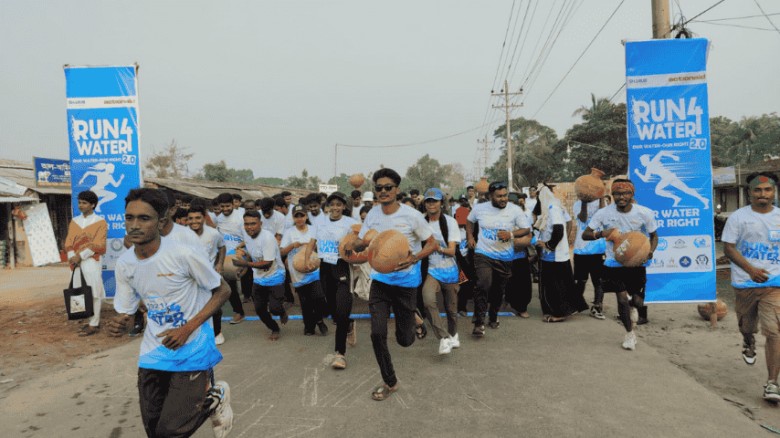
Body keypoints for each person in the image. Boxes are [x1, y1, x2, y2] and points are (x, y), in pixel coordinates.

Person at [107, 188, 233, 438]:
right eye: (129, 218)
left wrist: (187, 329)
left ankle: (213, 399)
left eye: (144, 218)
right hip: (154, 351)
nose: (134, 225)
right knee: (154, 431)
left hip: (192, 347)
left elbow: (223, 290)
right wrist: (121, 322)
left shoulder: (183, 253)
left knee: (171, 432)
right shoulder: (125, 264)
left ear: (161, 221)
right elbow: (128, 310)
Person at [345, 168, 437, 401]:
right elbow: (363, 241)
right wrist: (352, 246)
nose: (383, 191)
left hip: (406, 285)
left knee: (405, 341)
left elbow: (432, 243)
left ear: (396, 189)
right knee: (377, 333)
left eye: (388, 187)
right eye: (379, 188)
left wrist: (414, 257)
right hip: (380, 283)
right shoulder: (373, 215)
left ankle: (414, 319)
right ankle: (390, 381)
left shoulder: (412, 215)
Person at [722, 172, 780, 401]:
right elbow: (729, 248)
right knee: (747, 326)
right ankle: (748, 340)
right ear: (749, 193)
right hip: (745, 283)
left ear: (774, 192)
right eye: (757, 190)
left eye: (767, 190)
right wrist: (751, 270)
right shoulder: (738, 218)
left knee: (775, 332)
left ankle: (772, 383)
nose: (763, 194)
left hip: (774, 284)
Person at [583, 179, 658, 351]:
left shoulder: (644, 213)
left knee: (637, 302)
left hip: (636, 263)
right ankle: (630, 334)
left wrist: (649, 252)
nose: (621, 197)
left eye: (626, 193)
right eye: (617, 193)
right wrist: (602, 233)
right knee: (622, 298)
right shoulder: (604, 214)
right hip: (613, 262)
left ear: (632, 194)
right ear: (612, 195)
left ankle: (634, 305)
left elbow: (654, 236)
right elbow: (586, 234)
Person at [466, 181, 531, 335]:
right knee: (483, 284)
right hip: (483, 254)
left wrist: (511, 234)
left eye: (505, 195)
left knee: (498, 290)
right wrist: (470, 236)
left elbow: (526, 228)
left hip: (505, 257)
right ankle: (479, 322)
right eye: (499, 196)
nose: (503, 199)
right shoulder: (480, 208)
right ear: (490, 196)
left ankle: (493, 315)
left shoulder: (515, 210)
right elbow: (470, 221)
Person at [305, 192, 359, 369]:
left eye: (339, 204)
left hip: (342, 266)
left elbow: (361, 241)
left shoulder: (350, 224)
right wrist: (306, 259)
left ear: (344, 206)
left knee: (342, 310)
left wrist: (354, 246)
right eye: (332, 204)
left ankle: (340, 354)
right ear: (327, 206)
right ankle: (349, 324)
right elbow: (312, 243)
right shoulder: (319, 223)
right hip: (325, 268)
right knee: (333, 311)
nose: (335, 208)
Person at [232, 210, 288, 341]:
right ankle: (274, 328)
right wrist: (243, 262)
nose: (249, 227)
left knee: (275, 308)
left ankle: (281, 312)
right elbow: (253, 255)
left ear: (260, 223)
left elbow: (267, 264)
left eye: (253, 224)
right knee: (260, 310)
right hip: (259, 279)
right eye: (247, 224)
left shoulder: (267, 238)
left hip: (275, 276)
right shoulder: (247, 236)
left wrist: (245, 264)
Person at [534, 185, 587, 322]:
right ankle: (567, 308)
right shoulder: (552, 208)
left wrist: (548, 245)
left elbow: (558, 229)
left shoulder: (553, 209)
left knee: (556, 286)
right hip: (553, 255)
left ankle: (559, 313)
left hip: (554, 255)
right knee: (563, 284)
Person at [421, 188, 462, 355]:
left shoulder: (450, 222)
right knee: (428, 299)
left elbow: (452, 251)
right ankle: (443, 337)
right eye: (428, 201)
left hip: (450, 270)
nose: (431, 204)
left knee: (451, 310)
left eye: (434, 201)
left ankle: (453, 335)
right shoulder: (421, 223)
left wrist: (435, 247)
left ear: (441, 203)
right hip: (432, 271)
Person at [281, 204, 328, 337]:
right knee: (305, 302)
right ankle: (309, 327)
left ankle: (319, 320)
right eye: (297, 216)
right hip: (298, 273)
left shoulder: (314, 230)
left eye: (302, 215)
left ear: (306, 216)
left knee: (318, 298)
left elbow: (321, 247)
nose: (300, 218)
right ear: (293, 218)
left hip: (313, 270)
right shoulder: (289, 232)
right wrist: (292, 245)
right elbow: (282, 251)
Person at [65, 190, 107, 336]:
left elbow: (99, 244)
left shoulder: (100, 222)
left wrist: (80, 256)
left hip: (91, 261)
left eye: (84, 203)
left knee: (93, 291)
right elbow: (69, 241)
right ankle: (88, 319)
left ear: (93, 205)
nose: (80, 205)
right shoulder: (75, 221)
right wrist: (72, 256)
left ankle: (94, 324)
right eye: (79, 202)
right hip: (75, 262)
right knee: (80, 290)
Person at [188, 201, 227, 345]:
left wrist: (220, 264)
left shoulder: (213, 233)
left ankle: (217, 333)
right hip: (190, 279)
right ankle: (194, 334)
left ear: (204, 218)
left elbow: (222, 247)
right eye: (190, 218)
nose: (194, 222)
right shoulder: (182, 235)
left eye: (197, 218)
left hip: (210, 276)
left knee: (214, 305)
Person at [572, 197, 607, 320]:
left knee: (599, 281)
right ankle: (577, 304)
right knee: (580, 280)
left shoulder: (602, 203)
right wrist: (584, 201)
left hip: (598, 249)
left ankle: (597, 307)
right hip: (581, 249)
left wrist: (601, 197)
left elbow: (603, 216)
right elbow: (583, 218)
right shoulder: (577, 204)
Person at [215, 192, 248, 322]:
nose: (225, 209)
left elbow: (248, 237)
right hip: (225, 253)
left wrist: (239, 249)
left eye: (228, 206)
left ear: (233, 204)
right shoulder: (219, 218)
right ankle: (239, 311)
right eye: (222, 206)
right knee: (229, 281)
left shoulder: (241, 217)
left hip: (241, 251)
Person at [506, 192, 533, 318]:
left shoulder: (523, 217)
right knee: (507, 283)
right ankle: (507, 303)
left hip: (520, 256)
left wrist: (518, 242)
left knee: (523, 283)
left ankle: (522, 308)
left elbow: (529, 236)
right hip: (504, 256)